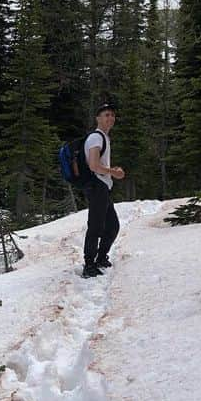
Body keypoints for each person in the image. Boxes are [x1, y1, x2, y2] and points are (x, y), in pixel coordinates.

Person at [81, 102, 124, 278]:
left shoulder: (104, 138)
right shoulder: (96, 138)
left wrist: (110, 172)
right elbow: (93, 165)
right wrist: (113, 172)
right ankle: (89, 265)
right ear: (98, 118)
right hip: (97, 186)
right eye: (106, 115)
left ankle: (100, 258)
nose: (110, 118)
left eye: (112, 115)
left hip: (102, 187)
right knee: (96, 226)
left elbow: (98, 164)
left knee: (112, 225)